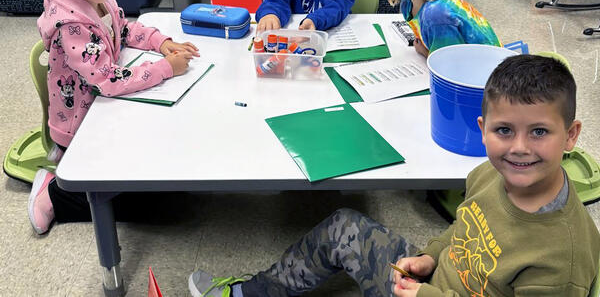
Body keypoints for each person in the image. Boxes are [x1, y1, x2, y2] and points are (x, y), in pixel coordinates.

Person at [188, 54, 600, 297]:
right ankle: (246, 293)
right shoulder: (488, 174)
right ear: (483, 129)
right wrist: (429, 257)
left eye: (540, 132)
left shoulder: (562, 257)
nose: (519, 149)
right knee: (343, 226)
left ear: (571, 136)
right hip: (430, 285)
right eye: (504, 130)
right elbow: (461, 230)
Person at [29, 0, 200, 235]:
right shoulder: (72, 23)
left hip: (104, 110)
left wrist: (161, 42)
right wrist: (166, 68)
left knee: (170, 178)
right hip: (83, 126)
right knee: (162, 207)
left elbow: (123, 28)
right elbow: (107, 80)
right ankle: (56, 193)